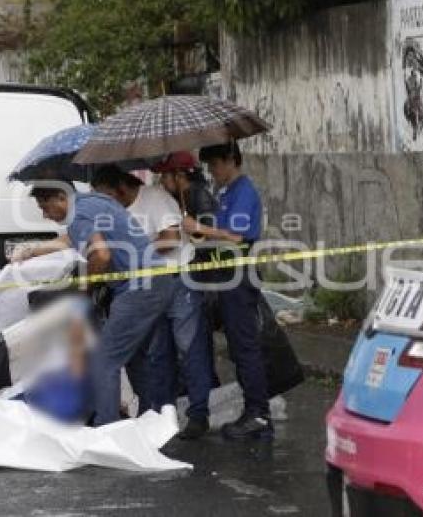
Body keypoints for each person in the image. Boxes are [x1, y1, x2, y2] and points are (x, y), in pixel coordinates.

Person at [15, 182, 177, 426]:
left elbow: (101, 255)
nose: (44, 214)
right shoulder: (95, 202)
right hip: (157, 282)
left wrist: (84, 288)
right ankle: (149, 422)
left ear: (61, 198)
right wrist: (32, 251)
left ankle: (106, 428)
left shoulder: (79, 214)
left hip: (138, 287)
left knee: (105, 360)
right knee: (137, 358)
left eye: (45, 207)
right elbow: (71, 239)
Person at [92, 166, 213, 439]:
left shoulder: (156, 199)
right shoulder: (115, 211)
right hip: (147, 286)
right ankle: (158, 411)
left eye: (108, 197)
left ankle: (198, 413)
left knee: (189, 346)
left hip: (177, 278)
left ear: (121, 189)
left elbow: (170, 239)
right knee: (157, 352)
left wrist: (136, 247)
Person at [182, 142, 274, 440]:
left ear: (232, 160)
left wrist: (199, 227)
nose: (212, 172)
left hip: (239, 276)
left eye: (216, 165)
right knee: (237, 346)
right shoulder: (225, 193)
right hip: (225, 276)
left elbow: (235, 236)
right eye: (208, 167)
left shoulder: (244, 191)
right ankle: (253, 411)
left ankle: (258, 414)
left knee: (246, 346)